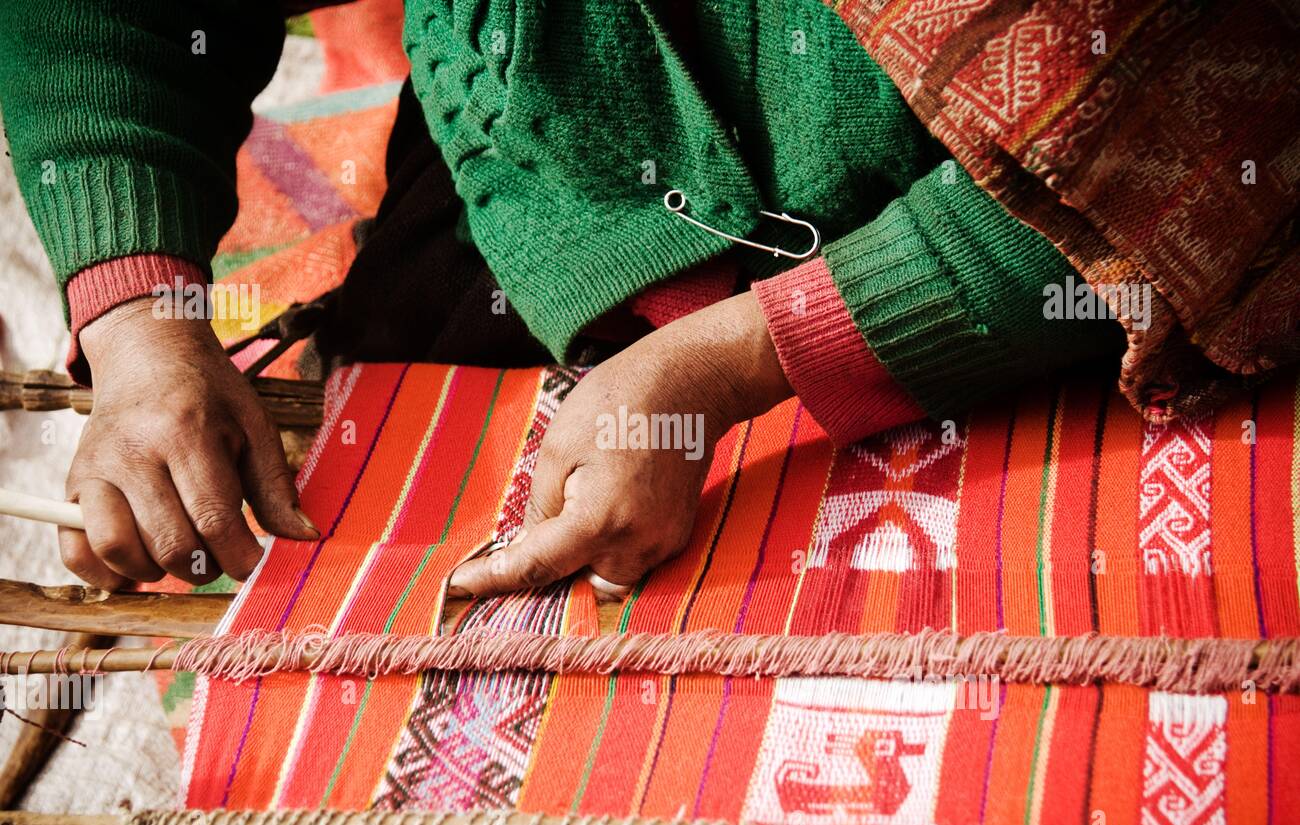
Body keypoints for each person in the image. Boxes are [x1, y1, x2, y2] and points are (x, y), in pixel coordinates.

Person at [1, 1, 1154, 597]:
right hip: (534, 140)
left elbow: (1214, 147)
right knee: (373, 495)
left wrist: (739, 357)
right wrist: (143, 321)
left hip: (1012, 204)